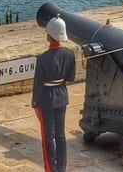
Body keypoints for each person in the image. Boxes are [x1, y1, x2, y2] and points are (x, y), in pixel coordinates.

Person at [32, 15, 77, 172]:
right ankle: (62, 168)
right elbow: (70, 77)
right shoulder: (70, 55)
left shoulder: (42, 59)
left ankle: (51, 169)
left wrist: (35, 104)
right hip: (62, 97)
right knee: (60, 135)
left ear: (49, 35)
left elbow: (38, 85)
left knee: (48, 138)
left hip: (46, 99)